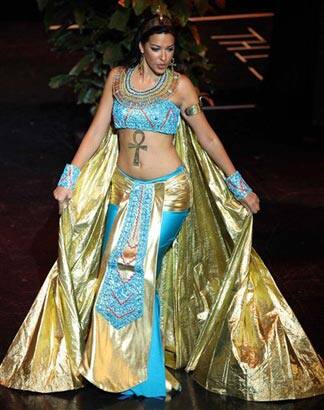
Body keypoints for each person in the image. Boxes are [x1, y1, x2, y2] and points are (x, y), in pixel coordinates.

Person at [1, 12, 324, 402]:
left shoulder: (180, 87)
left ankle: (147, 374)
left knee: (140, 268)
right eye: (156, 48)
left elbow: (207, 138)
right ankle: (119, 365)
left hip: (170, 192)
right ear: (141, 46)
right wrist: (69, 177)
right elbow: (99, 128)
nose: (163, 56)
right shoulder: (118, 80)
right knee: (116, 272)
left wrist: (240, 186)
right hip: (122, 190)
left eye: (170, 49)